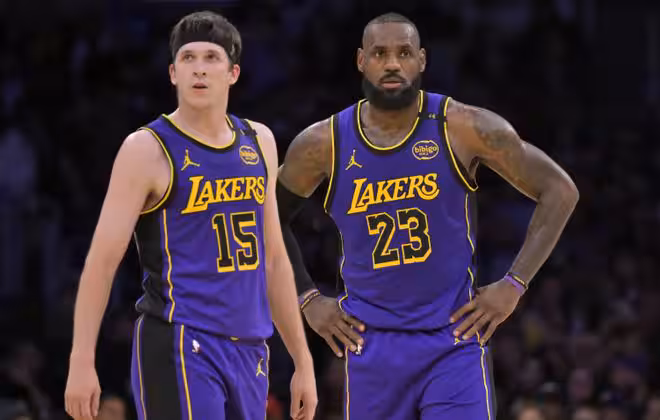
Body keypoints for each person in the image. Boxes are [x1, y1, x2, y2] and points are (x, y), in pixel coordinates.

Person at [278, 12, 579, 420]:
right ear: (361, 61)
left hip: (452, 339)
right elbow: (267, 217)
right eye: (379, 53)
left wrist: (514, 283)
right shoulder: (323, 143)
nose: (392, 64)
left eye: (404, 53)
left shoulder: (463, 126)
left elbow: (560, 190)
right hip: (371, 344)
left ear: (422, 60)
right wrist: (307, 298)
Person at [64, 11, 317, 420]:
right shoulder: (146, 149)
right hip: (179, 340)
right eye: (188, 58)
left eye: (211, 58)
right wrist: (81, 359)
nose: (199, 68)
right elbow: (102, 261)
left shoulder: (260, 141)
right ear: (173, 73)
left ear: (233, 73)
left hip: (250, 348)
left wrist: (302, 360)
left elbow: (273, 258)